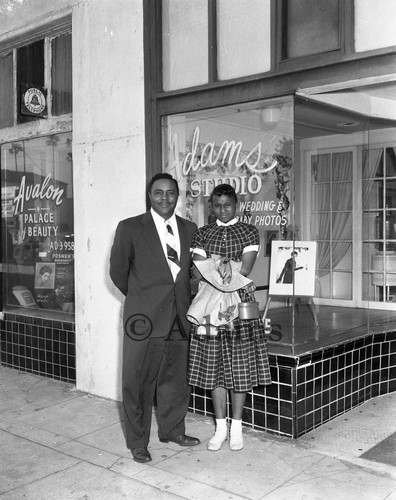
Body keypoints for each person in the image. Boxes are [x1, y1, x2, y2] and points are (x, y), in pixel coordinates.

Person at [109, 173, 200, 464]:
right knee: (137, 381)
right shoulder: (131, 227)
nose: (165, 198)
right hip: (143, 318)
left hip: (180, 316)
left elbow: (188, 274)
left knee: (176, 378)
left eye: (171, 193)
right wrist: (142, 298)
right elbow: (118, 272)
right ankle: (138, 442)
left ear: (178, 196)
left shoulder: (189, 228)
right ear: (150, 195)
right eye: (158, 192)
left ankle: (172, 430)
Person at [188, 184, 272, 452]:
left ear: (236, 205)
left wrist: (219, 265)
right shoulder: (202, 233)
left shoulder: (248, 231)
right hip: (209, 309)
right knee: (214, 367)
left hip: (241, 307)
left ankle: (237, 427)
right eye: (217, 205)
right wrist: (223, 265)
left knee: (240, 367)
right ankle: (220, 427)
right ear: (211, 207)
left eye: (227, 205)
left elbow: (244, 268)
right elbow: (199, 273)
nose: (222, 210)